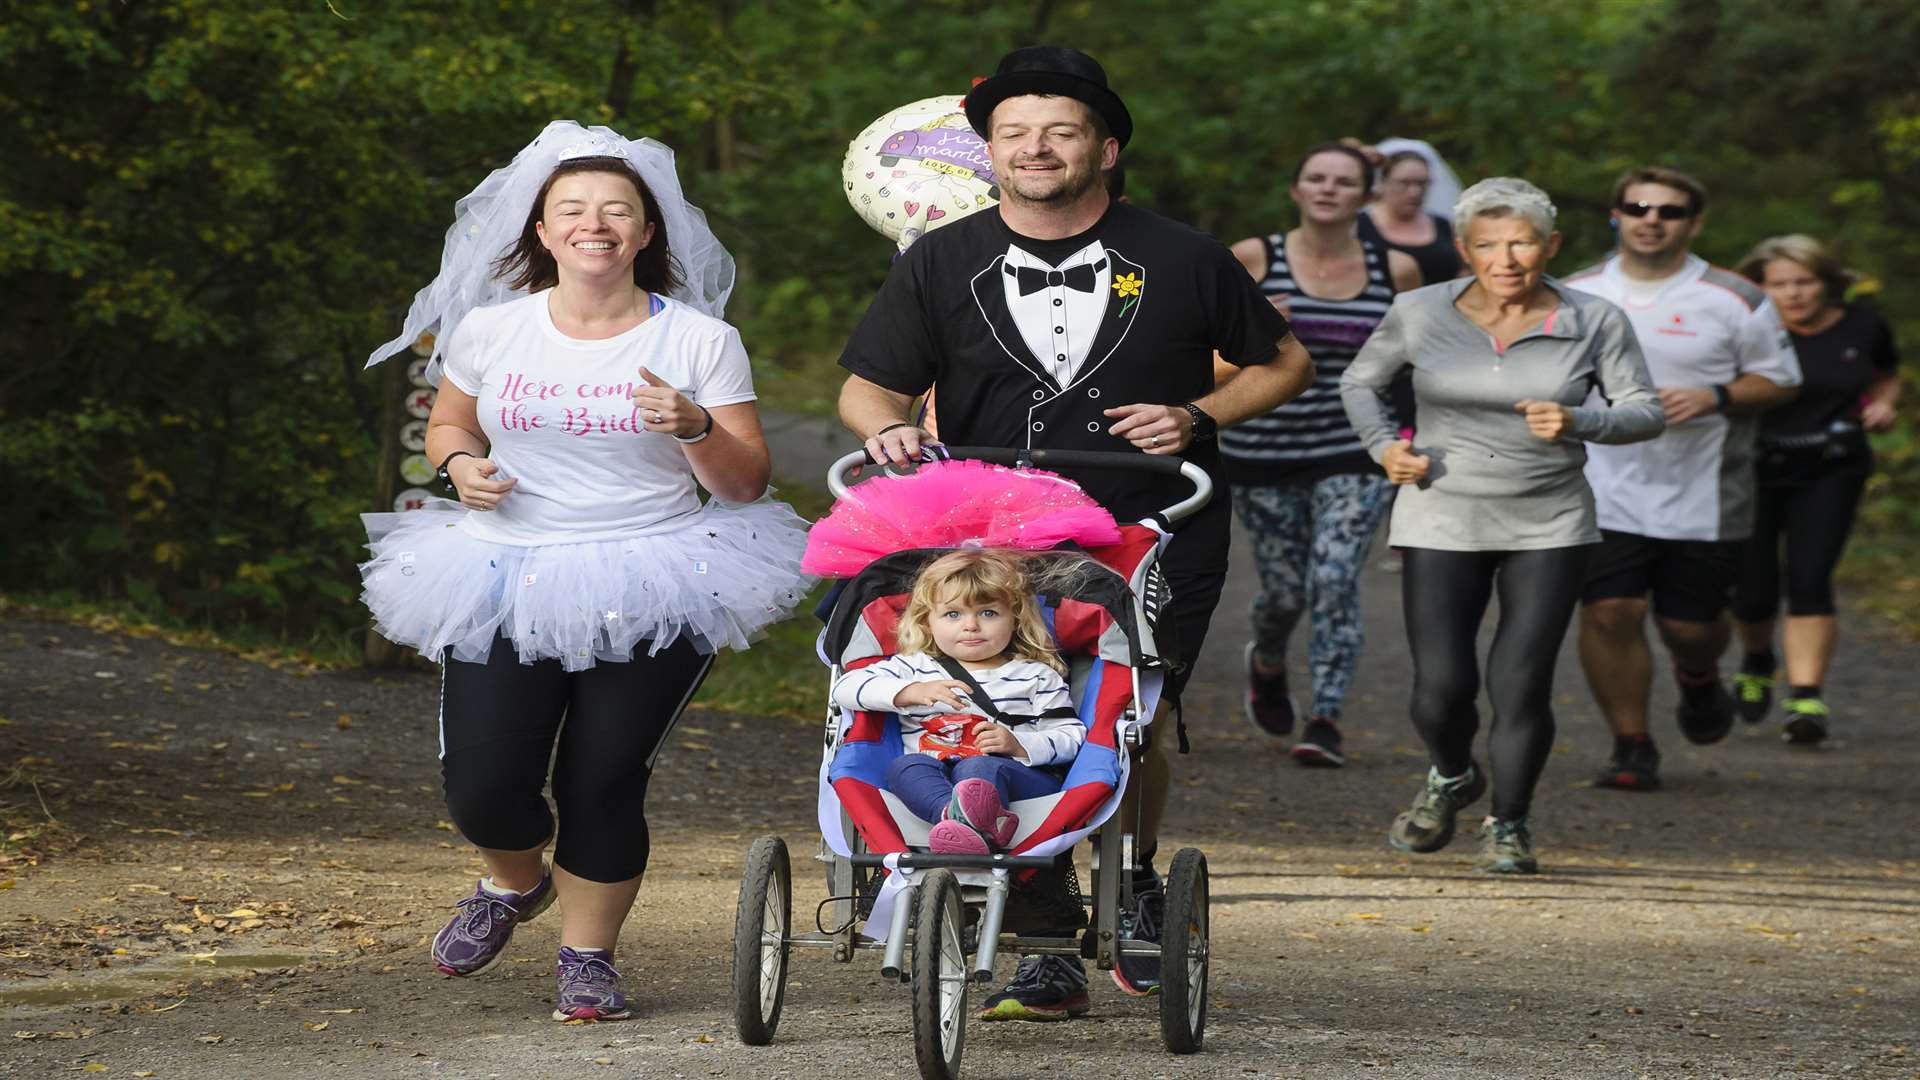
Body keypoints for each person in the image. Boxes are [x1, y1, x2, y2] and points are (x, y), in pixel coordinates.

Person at [837, 45, 1311, 1014]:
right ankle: (1042, 932)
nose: (1036, 149)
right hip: (983, 534)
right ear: (990, 151)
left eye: (1060, 131)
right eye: (1014, 134)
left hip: (1152, 526)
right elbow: (868, 382)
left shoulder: (1186, 257)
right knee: (1000, 700)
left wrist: (1199, 416)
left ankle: (1127, 875)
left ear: (1105, 144)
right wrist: (883, 425)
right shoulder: (941, 260)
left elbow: (1285, 362)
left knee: (1128, 713)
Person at [358, 123, 811, 1022]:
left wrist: (692, 427)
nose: (594, 224)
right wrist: (458, 467)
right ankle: (510, 881)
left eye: (618, 211)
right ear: (540, 229)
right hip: (504, 571)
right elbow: (451, 425)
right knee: (484, 784)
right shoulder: (492, 329)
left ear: (648, 233)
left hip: (658, 576)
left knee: (603, 778)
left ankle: (588, 958)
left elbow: (745, 479)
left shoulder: (700, 341)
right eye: (573, 209)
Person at [1343, 177, 1665, 873]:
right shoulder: (1419, 310)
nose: (1507, 257)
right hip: (1440, 512)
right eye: (1489, 243)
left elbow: (1645, 410)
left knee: (1520, 681)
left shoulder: (1594, 318)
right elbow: (1360, 382)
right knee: (1441, 690)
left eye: (1522, 241)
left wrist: (1582, 419)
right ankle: (1452, 774)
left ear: (1550, 245)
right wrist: (1385, 448)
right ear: (1464, 249)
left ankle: (1510, 824)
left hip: (1548, 519)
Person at [1566, 166, 1802, 791]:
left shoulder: (1736, 298)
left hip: (1701, 490)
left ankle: (1699, 679)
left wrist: (1716, 396)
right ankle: (1631, 744)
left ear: (1693, 223)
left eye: (1668, 211)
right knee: (1611, 612)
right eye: (1637, 207)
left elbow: (1781, 379)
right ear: (1616, 215)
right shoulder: (1573, 292)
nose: (1651, 219)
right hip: (1601, 484)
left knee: (1688, 629)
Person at [1223, 143, 1421, 765]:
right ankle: (1268, 657)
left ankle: (1326, 718)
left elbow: (1414, 366)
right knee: (1286, 592)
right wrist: (1252, 333)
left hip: (1354, 448)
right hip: (1262, 450)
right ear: (1297, 189)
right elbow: (1194, 350)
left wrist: (1410, 444)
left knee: (1335, 578)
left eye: (1344, 181)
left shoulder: (1398, 268)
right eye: (1316, 177)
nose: (1329, 189)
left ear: (1366, 196)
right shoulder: (1254, 258)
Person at [1730, 235, 1903, 743]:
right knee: (1754, 588)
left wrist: (1884, 404)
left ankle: (1806, 696)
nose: (1794, 293)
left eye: (1805, 281)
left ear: (1827, 283)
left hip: (1832, 466)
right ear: (1759, 287)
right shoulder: (1744, 330)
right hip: (1753, 466)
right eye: (1779, 284)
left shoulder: (1863, 325)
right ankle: (1758, 659)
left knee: (1810, 576)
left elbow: (1886, 373)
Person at [831, 550, 1082, 854]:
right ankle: (953, 821)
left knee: (979, 766)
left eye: (988, 613)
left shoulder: (1036, 676)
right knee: (904, 767)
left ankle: (967, 820)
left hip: (1016, 781)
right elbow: (844, 688)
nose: (971, 625)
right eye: (953, 614)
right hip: (931, 779)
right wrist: (910, 692)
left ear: (1015, 619)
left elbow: (1072, 737)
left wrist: (1019, 745)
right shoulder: (913, 667)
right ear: (927, 622)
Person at [1357, 150, 1463, 286]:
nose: (1415, 192)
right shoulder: (1358, 225)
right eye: (1404, 183)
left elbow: (1462, 271)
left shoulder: (1443, 225)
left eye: (1422, 183)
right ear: (1383, 182)